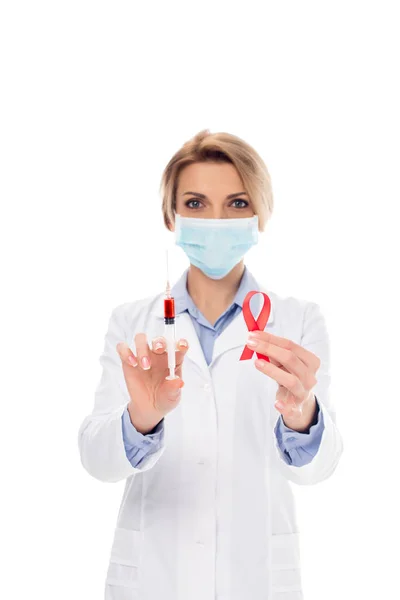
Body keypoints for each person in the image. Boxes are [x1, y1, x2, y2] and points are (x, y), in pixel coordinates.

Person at [78, 129, 343, 600]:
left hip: (257, 577)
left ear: (260, 213)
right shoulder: (131, 322)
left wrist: (301, 413)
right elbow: (97, 462)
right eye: (196, 204)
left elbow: (317, 471)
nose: (217, 220)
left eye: (237, 204)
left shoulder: (298, 320)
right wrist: (141, 419)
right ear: (171, 215)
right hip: (154, 577)